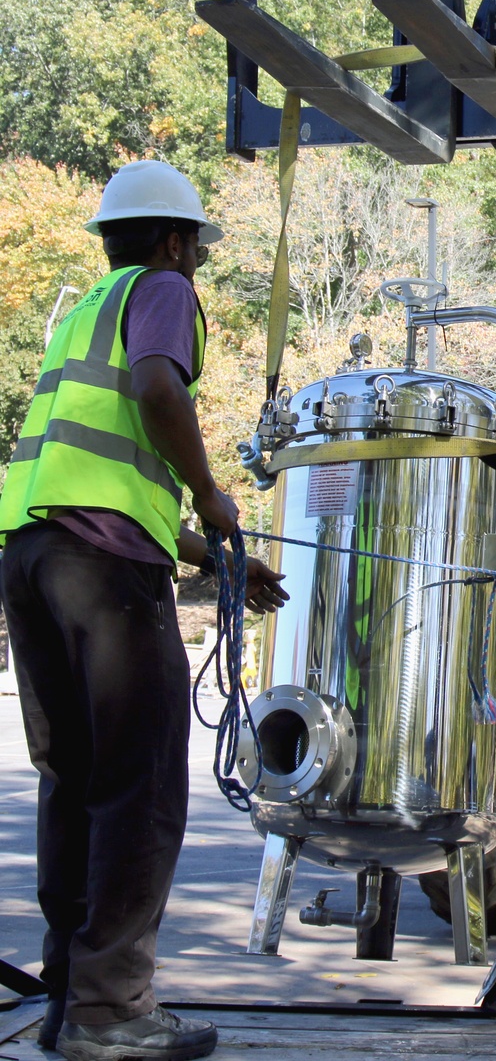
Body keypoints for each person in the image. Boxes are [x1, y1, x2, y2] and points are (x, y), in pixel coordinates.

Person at [0, 161, 289, 1061]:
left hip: (34, 556)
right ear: (173, 240)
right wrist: (210, 494)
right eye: (196, 245)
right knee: (143, 786)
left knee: (77, 781)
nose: (196, 260)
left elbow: (105, 477)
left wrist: (215, 561)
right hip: (103, 571)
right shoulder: (163, 290)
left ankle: (70, 997)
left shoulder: (86, 311)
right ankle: (113, 1009)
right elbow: (159, 394)